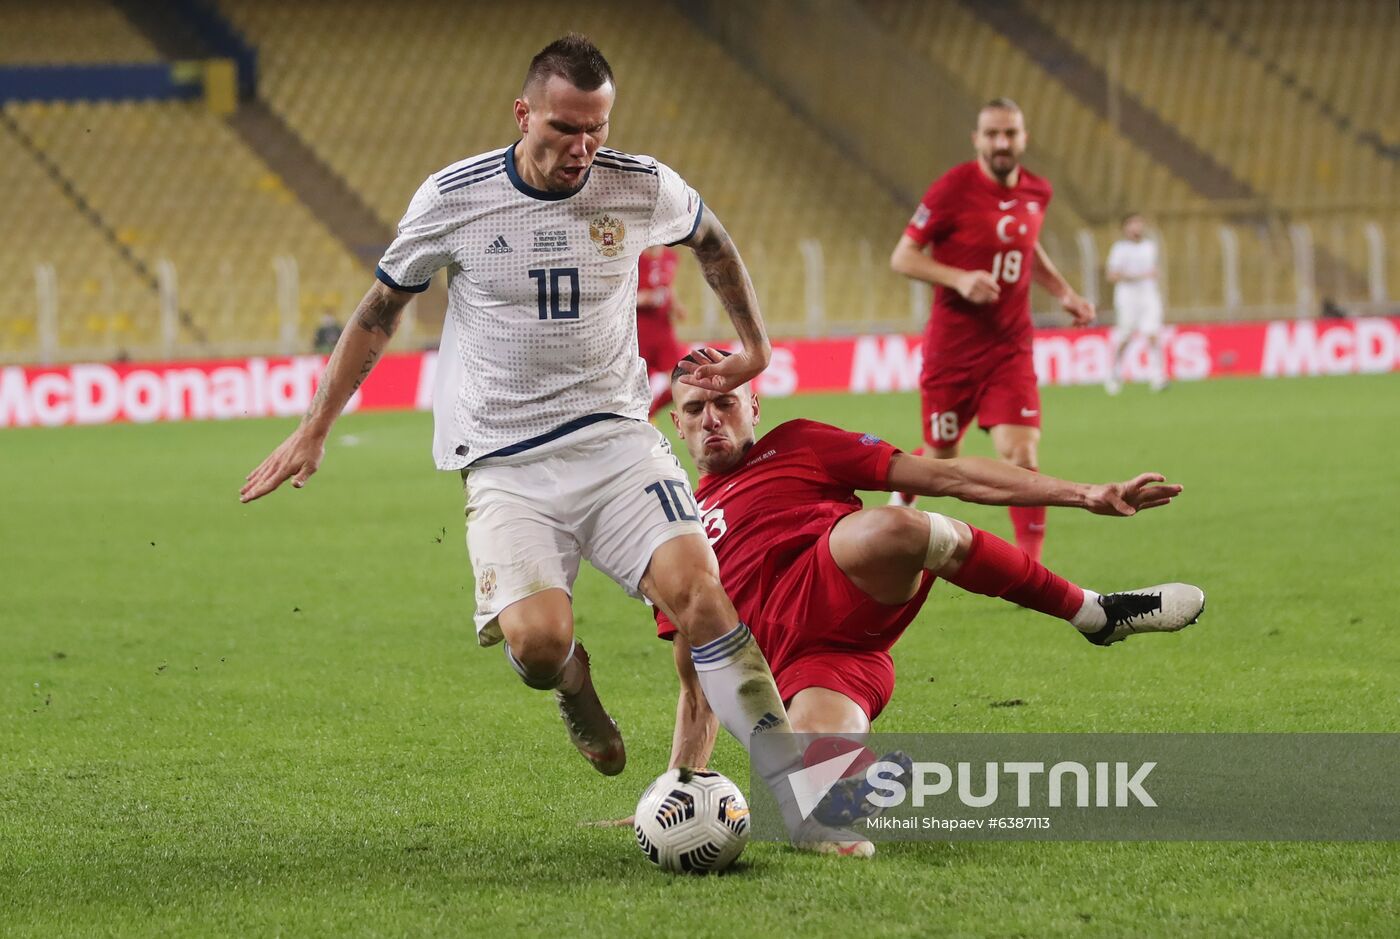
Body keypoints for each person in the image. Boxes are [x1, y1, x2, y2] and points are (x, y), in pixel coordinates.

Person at [239, 35, 851, 853]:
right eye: (565, 129)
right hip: (506, 460)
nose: (582, 149)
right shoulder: (455, 196)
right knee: (536, 645)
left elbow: (714, 242)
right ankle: (573, 683)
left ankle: (800, 798)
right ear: (524, 114)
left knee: (702, 596)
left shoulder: (637, 183)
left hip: (616, 439)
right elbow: (379, 312)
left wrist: (756, 348)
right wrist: (316, 427)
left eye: (596, 129)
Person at [654, 353, 1205, 837]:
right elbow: (695, 678)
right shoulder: (670, 528)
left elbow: (952, 476)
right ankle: (842, 789)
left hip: (831, 579)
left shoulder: (799, 444)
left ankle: (1093, 612)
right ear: (677, 423)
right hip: (812, 665)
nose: (712, 419)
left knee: (899, 526)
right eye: (696, 408)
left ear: (754, 405)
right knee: (812, 764)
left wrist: (1084, 493)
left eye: (725, 402)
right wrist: (678, 792)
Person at [890, 98, 1096, 564]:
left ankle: (1032, 564)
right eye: (993, 134)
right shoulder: (952, 189)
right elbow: (902, 256)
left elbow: (1026, 245)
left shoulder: (1037, 192)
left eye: (1011, 133)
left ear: (1023, 138)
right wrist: (958, 277)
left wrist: (1064, 292)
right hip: (954, 349)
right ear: (977, 140)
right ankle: (899, 500)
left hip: (1010, 347)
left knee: (1020, 453)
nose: (1002, 143)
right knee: (941, 457)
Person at [1104, 213, 1166, 394]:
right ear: (1125, 228)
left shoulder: (1150, 246)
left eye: (1139, 223)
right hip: (1127, 297)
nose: (1137, 227)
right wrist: (1137, 276)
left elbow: (1155, 271)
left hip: (1148, 295)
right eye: (1133, 224)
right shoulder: (1120, 249)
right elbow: (1112, 275)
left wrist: (1151, 276)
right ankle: (1114, 374)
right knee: (1125, 336)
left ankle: (1158, 377)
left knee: (1153, 333)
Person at [636, 245, 691, 416]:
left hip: (663, 330)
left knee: (680, 379)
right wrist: (640, 298)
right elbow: (620, 292)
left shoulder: (670, 257)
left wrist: (676, 306)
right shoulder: (634, 259)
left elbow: (667, 286)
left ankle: (650, 412)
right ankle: (638, 416)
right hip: (639, 332)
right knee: (637, 383)